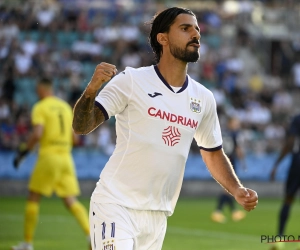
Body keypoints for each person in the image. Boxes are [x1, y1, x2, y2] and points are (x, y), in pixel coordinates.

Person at [72, 7, 258, 250]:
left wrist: (236, 189)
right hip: (116, 205)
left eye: (197, 29)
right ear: (163, 38)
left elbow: (212, 152)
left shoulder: (203, 98)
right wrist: (91, 90)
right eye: (185, 28)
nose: (196, 34)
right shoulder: (132, 80)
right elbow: (81, 126)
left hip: (158, 217)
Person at [11, 78, 90, 250]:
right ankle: (91, 236)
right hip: (66, 158)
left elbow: (38, 134)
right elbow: (75, 139)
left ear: (41, 88)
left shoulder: (40, 107)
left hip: (49, 156)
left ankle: (27, 243)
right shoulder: (65, 107)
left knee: (33, 196)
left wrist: (23, 152)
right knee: (71, 200)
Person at [269, 113, 300, 250]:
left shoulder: (297, 118)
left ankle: (280, 238)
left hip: (298, 162)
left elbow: (290, 142)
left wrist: (277, 164)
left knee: (288, 199)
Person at [211, 116, 247, 223]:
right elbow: (238, 149)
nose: (237, 125)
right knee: (228, 189)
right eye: (235, 123)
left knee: (229, 189)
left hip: (221, 161)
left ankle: (234, 212)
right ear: (231, 124)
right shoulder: (235, 134)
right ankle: (218, 212)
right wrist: (243, 162)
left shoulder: (223, 133)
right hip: (230, 162)